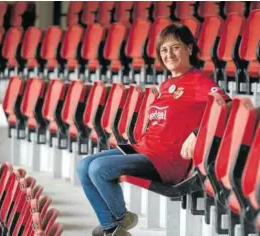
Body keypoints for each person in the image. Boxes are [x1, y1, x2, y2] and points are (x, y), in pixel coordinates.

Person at [77, 23, 231, 236]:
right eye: (164, 50)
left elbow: (227, 107)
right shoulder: (167, 85)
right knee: (84, 166)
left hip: (165, 160)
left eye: (175, 47)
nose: (169, 54)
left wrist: (198, 133)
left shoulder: (199, 82)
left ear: (189, 48)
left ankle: (121, 220)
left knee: (99, 169)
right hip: (144, 148)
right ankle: (110, 227)